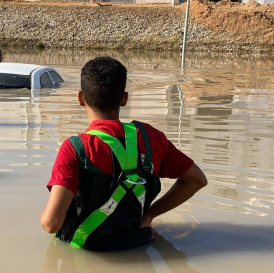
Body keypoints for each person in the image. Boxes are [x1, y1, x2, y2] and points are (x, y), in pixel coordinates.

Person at [40, 57, 207, 251]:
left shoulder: (75, 148)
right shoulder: (152, 138)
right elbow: (197, 180)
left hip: (87, 253)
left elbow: (51, 223)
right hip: (138, 245)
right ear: (124, 99)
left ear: (80, 98)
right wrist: (150, 214)